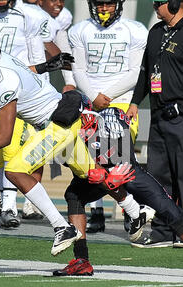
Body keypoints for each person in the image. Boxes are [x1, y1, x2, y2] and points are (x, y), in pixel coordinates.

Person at [0, 29, 146, 256]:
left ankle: (61, 227)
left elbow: (3, 137)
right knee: (93, 174)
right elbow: (27, 74)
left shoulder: (3, 80)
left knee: (15, 170)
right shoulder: (1, 62)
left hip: (56, 124)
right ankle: (134, 209)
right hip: (63, 118)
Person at [53, 107, 183, 279]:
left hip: (125, 169)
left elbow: (124, 163)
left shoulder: (111, 120)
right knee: (74, 194)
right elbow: (72, 163)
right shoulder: (62, 132)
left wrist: (108, 174)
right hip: (97, 170)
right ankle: (81, 261)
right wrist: (94, 171)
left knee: (168, 209)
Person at [0, 0, 64, 226]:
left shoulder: (30, 14)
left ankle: (7, 205)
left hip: (18, 90)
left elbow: (35, 49)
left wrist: (43, 75)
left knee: (10, 148)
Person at [127, 0, 183, 247]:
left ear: (176, 3)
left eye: (160, 3)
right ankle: (162, 231)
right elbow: (146, 72)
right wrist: (135, 102)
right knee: (159, 177)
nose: (155, 7)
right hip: (159, 115)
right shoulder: (156, 32)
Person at [68, 0, 148, 233]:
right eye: (100, 4)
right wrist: (94, 97)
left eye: (109, 4)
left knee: (118, 157)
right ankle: (97, 211)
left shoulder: (134, 30)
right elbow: (79, 70)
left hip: (121, 99)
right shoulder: (80, 30)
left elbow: (135, 72)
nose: (104, 8)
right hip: (91, 101)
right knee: (92, 159)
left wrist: (108, 95)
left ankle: (129, 211)